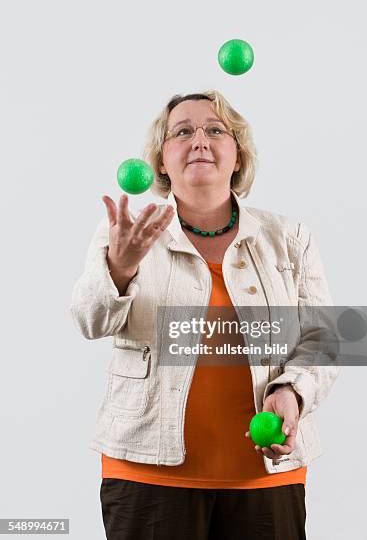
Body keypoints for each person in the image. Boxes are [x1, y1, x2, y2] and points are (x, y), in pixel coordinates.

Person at [70, 90, 339, 539]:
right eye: (182, 132)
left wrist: (293, 392)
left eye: (215, 130)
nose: (199, 140)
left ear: (237, 156)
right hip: (146, 474)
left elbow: (325, 339)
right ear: (160, 162)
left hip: (266, 475)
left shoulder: (288, 237)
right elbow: (88, 321)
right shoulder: (126, 231)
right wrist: (120, 266)